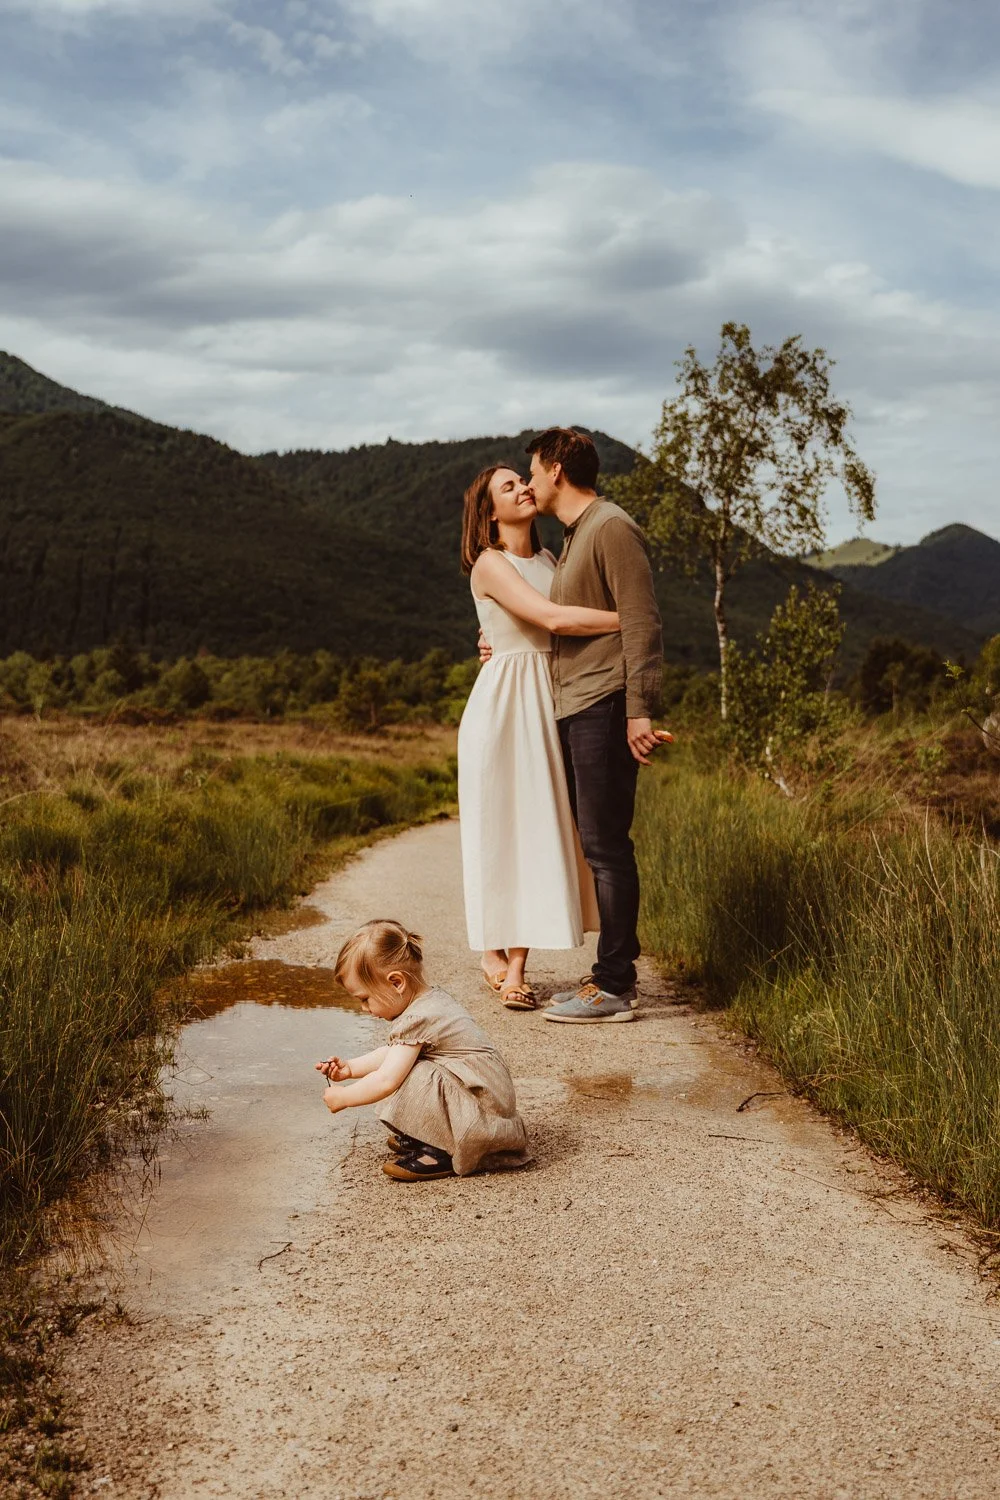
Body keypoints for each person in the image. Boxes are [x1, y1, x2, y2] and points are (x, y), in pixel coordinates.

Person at [458, 465, 621, 1009]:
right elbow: (551, 618)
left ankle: (514, 964)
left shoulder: (552, 560)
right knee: (501, 828)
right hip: (505, 703)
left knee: (539, 827)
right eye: (508, 487)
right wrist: (630, 619)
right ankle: (498, 956)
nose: (523, 488)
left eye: (522, 481)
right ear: (489, 513)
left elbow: (556, 621)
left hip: (549, 698)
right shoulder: (489, 562)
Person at [521, 427, 663, 1024]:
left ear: (556, 469)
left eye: (532, 471)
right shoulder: (579, 535)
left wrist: (639, 708)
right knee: (596, 842)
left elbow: (642, 621)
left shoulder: (610, 526)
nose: (529, 483)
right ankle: (607, 976)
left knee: (606, 846)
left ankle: (615, 987)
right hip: (578, 703)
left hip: (605, 704)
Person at [316, 919, 530, 1182]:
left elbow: (386, 1079)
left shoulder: (419, 1017)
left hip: (482, 1117)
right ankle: (432, 1134)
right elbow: (392, 1051)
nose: (364, 1008)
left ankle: (441, 1152)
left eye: (364, 998)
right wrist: (350, 1069)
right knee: (411, 1064)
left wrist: (345, 1097)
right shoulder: (428, 1001)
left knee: (416, 1073)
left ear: (396, 983)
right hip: (486, 1107)